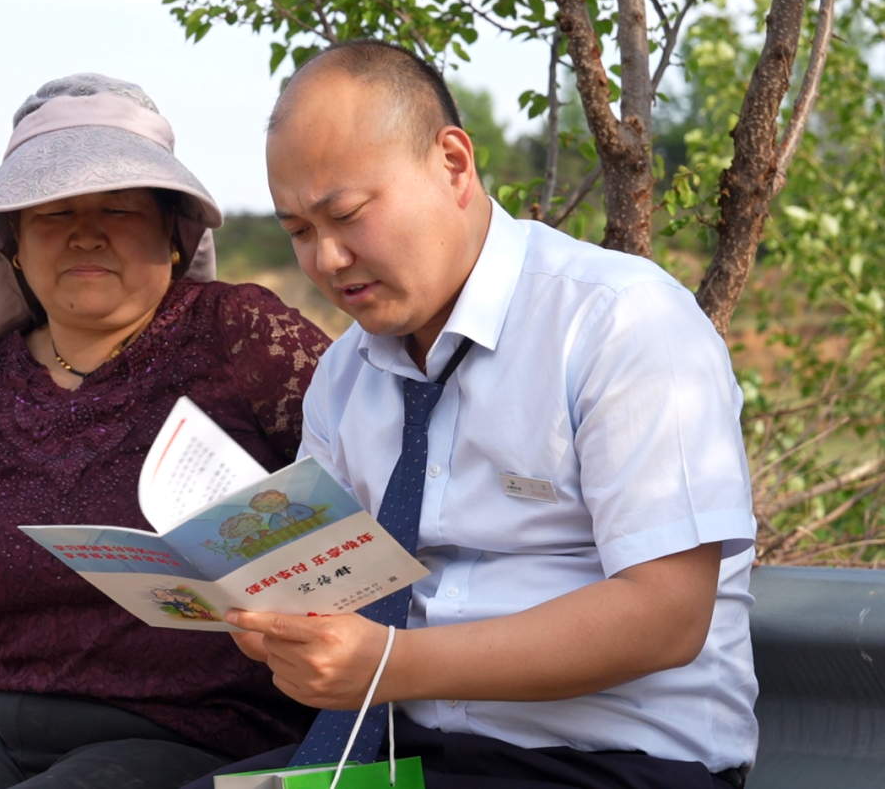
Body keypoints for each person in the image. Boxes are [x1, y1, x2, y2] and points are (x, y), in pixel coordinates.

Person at [187, 41, 759, 789]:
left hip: (616, 765)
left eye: (347, 215)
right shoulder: (345, 375)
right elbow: (331, 591)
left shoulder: (620, 321)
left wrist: (391, 664)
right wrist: (275, 625)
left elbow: (667, 615)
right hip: (410, 757)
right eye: (298, 231)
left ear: (453, 165)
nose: (326, 259)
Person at [0, 73, 329, 789]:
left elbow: (374, 476)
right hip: (1, 733)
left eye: (117, 207)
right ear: (14, 246)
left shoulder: (237, 334)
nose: (85, 232)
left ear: (174, 234)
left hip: (201, 735)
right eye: (53, 211)